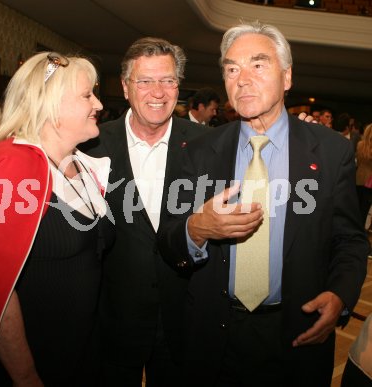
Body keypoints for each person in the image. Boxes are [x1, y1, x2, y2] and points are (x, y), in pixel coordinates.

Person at [157, 21, 368, 387]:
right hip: (212, 337)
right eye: (232, 69)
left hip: (297, 335)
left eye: (258, 64)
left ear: (287, 77)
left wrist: (340, 296)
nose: (242, 78)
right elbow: (168, 238)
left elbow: (349, 240)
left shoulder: (331, 151)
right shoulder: (199, 151)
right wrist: (197, 228)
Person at [0, 52, 114, 386]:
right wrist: (25, 374)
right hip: (33, 359)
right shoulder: (13, 166)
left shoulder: (82, 165)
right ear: (50, 105)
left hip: (79, 348)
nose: (99, 104)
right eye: (87, 95)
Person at [83, 37, 203, 387]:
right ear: (124, 86)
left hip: (183, 319)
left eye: (167, 80)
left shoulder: (206, 144)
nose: (158, 92)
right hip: (112, 318)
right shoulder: (91, 145)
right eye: (145, 81)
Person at [356, 123, 372, 228]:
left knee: (356, 209)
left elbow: (358, 162)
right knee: (364, 210)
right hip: (369, 183)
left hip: (358, 179)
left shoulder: (360, 144)